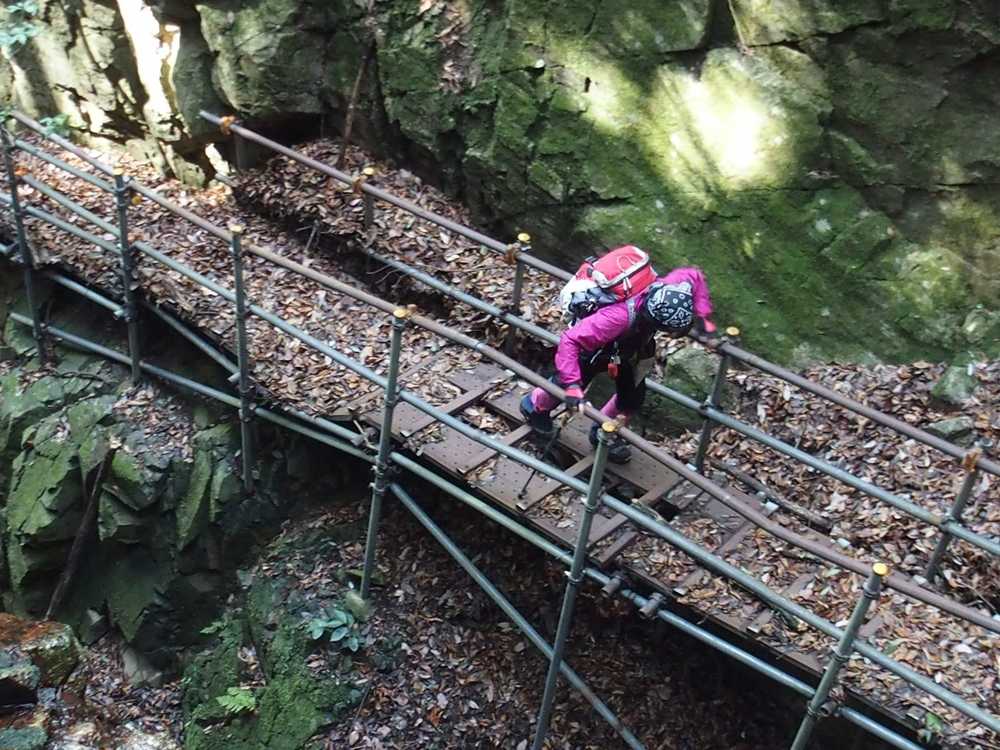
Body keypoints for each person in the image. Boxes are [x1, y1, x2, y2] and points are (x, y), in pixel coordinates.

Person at [520, 266, 716, 464]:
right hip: (597, 349)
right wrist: (572, 384)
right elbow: (571, 340)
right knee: (570, 383)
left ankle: (604, 430)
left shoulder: (670, 287)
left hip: (631, 348)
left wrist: (702, 314)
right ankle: (534, 406)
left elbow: (693, 274)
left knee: (632, 397)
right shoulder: (616, 318)